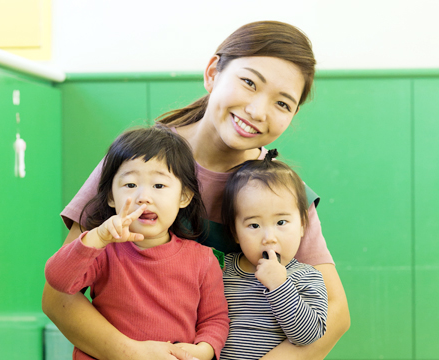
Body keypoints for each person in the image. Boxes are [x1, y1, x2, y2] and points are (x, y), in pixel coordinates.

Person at [42, 20, 350, 360]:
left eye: (283, 104)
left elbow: (335, 315)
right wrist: (133, 354)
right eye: (249, 82)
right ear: (213, 72)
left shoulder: (282, 192)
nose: (258, 110)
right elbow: (59, 296)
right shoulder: (137, 163)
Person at [44, 126, 229, 360]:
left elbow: (215, 319)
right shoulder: (102, 251)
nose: (143, 197)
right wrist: (96, 238)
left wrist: (203, 350)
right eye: (130, 185)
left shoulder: (204, 259)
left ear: (184, 196)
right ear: (111, 196)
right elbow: (57, 279)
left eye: (159, 186)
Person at [220, 150, 328, 360]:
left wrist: (279, 285)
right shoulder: (220, 270)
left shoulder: (307, 277)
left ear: (303, 226)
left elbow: (309, 336)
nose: (268, 237)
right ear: (234, 232)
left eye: (281, 223)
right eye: (254, 225)